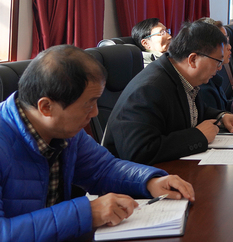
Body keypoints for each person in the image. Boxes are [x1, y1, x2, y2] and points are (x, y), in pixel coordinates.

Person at [0, 45, 195, 242]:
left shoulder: (65, 132)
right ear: (46, 107)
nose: (95, 113)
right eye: (88, 104)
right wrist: (87, 214)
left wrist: (149, 181)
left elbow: (103, 169)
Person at [103, 21, 233, 165]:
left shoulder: (180, 75)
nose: (220, 68)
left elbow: (194, 111)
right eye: (218, 61)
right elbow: (139, 151)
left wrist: (223, 116)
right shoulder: (149, 89)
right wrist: (197, 136)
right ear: (193, 59)